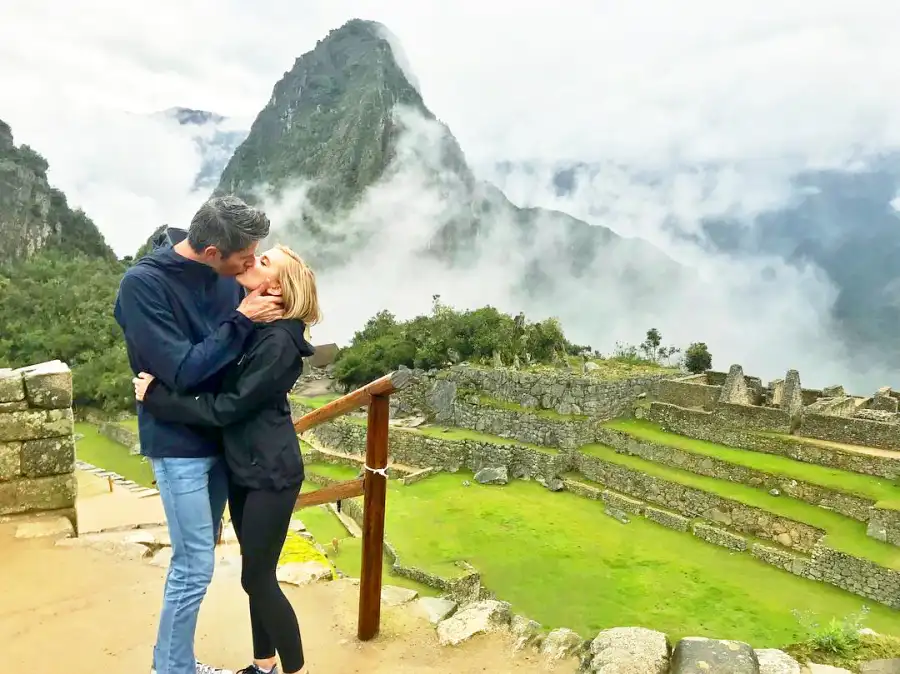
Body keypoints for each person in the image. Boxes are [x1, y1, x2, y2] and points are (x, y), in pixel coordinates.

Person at [114, 196, 283, 674]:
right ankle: (171, 669)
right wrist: (244, 319)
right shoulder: (144, 285)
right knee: (193, 567)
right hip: (178, 446)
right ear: (211, 252)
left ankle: (176, 663)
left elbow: (237, 356)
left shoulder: (228, 279)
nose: (251, 266)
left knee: (202, 554)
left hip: (222, 437)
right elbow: (184, 371)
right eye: (245, 259)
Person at [133, 245, 321, 674]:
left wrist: (160, 399)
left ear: (276, 287)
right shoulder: (258, 329)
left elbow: (227, 407)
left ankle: (295, 670)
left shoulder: (278, 342)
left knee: (257, 579)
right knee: (259, 576)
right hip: (247, 467)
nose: (251, 262)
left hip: (269, 474)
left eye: (263, 262)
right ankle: (264, 664)